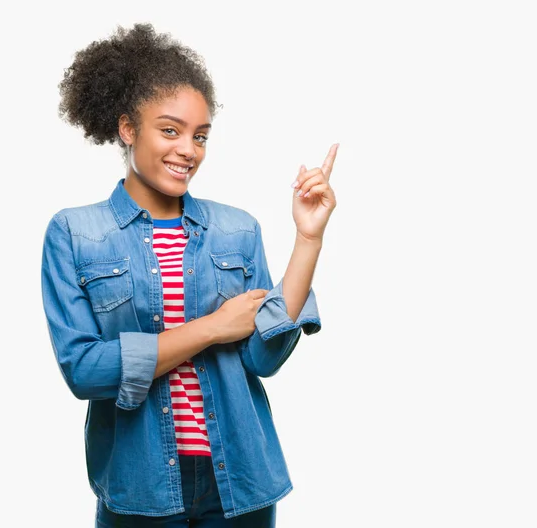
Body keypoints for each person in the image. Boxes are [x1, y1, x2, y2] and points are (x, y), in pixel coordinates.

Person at [41, 22, 337, 527]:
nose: (189, 151)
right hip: (140, 488)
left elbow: (264, 356)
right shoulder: (74, 232)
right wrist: (213, 328)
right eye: (170, 130)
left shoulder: (236, 229)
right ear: (128, 129)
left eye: (200, 136)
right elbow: (85, 371)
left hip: (239, 482)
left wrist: (308, 238)